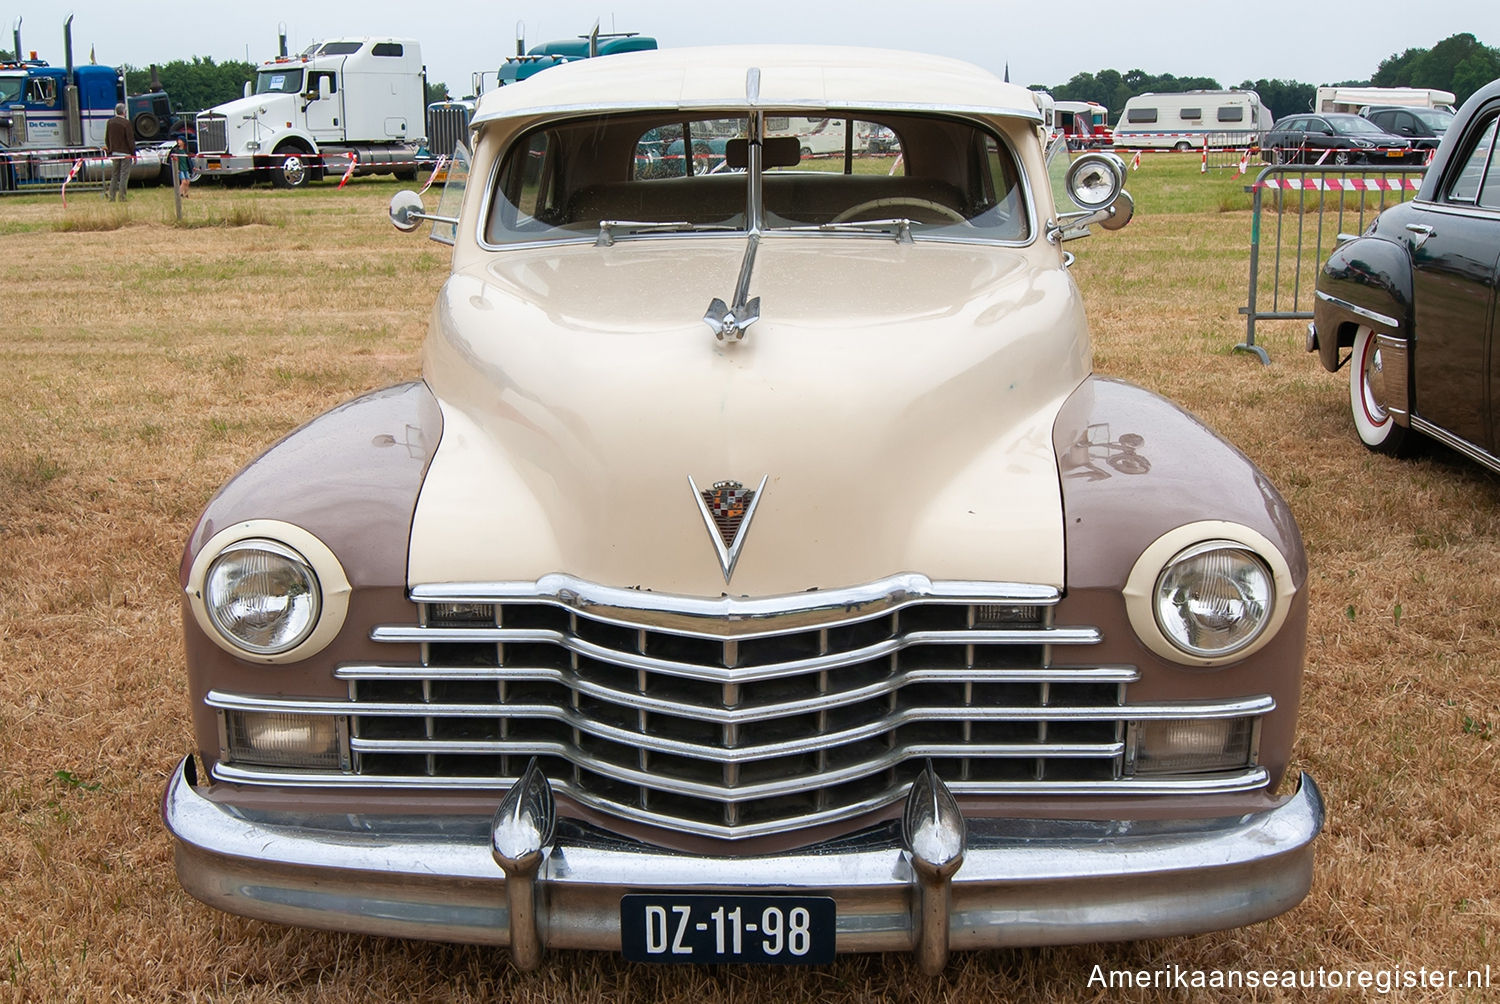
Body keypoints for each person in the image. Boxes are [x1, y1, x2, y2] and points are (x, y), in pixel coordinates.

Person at [103, 103, 134, 202]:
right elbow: (130, 140)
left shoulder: (110, 122)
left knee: (114, 176)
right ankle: (122, 197)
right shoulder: (126, 123)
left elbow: (107, 138)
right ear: (124, 112)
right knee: (124, 176)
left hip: (114, 153)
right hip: (125, 154)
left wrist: (110, 149)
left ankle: (112, 197)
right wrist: (133, 153)